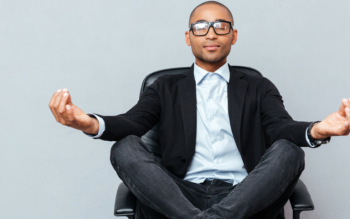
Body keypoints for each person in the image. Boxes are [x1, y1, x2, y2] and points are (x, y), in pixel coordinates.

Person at [48, 1, 350, 218]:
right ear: (188, 36)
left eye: (221, 26)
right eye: (200, 26)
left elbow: (280, 127)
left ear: (233, 35)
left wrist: (319, 129)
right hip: (179, 195)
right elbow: (132, 123)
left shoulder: (258, 86)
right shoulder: (165, 87)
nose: (211, 33)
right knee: (125, 147)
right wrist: (87, 122)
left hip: (245, 196)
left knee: (290, 151)